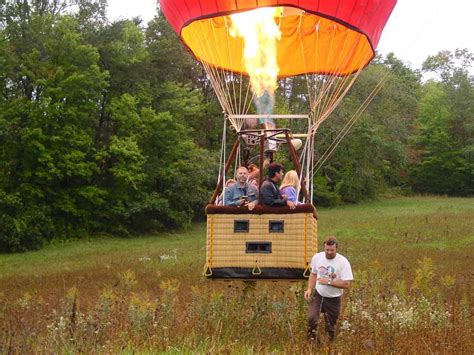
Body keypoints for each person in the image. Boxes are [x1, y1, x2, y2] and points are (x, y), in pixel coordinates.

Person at [304, 236, 354, 343]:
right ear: (324, 248)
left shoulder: (343, 262)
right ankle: (312, 345)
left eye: (332, 250)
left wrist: (328, 282)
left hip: (333, 299)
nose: (329, 252)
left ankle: (328, 347)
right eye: (327, 250)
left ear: (336, 249)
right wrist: (309, 289)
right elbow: (313, 275)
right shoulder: (317, 257)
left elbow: (347, 284)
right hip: (318, 295)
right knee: (312, 319)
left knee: (331, 327)